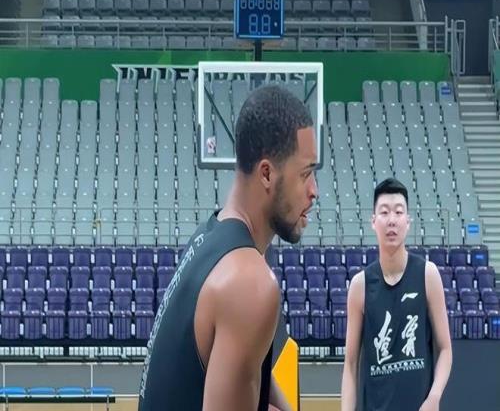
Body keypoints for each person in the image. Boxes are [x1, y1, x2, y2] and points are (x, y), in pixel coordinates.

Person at [138, 85, 318, 411]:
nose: (314, 190)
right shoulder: (248, 282)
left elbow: (248, 371)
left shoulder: (210, 236)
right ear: (267, 174)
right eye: (305, 174)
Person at [341, 178, 452, 411]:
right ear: (373, 222)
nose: (392, 220)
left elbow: (445, 349)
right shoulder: (360, 285)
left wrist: (434, 397)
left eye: (399, 212)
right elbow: (350, 364)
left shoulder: (427, 275)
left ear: (408, 222)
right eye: (384, 212)